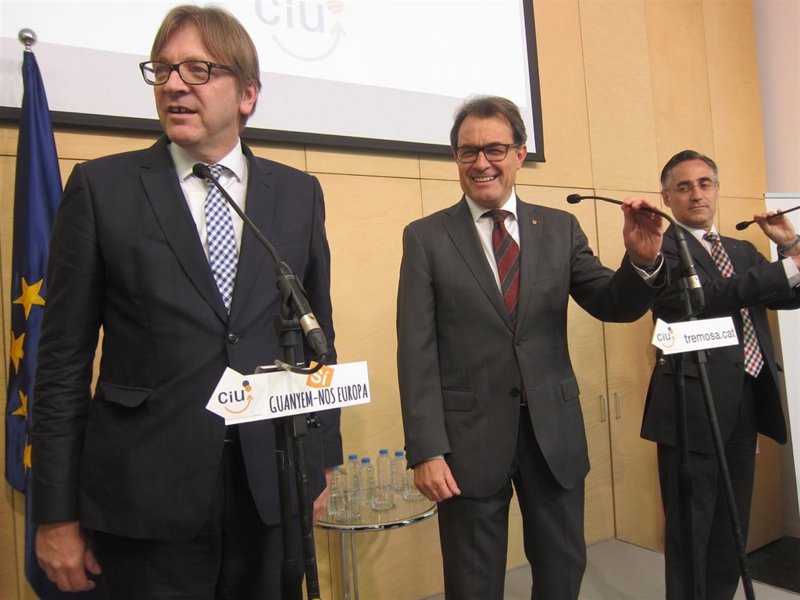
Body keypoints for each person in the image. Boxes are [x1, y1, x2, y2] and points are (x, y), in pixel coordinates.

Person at [30, 5, 341, 598]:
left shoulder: (298, 194)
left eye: (199, 70)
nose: (174, 84)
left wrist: (321, 456)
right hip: (145, 495)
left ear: (247, 94)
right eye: (163, 69)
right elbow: (62, 361)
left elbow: (316, 332)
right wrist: (56, 514)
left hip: (271, 484)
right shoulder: (101, 189)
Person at [396, 95, 665, 600]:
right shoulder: (427, 238)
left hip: (553, 436)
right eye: (468, 151)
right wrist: (426, 450)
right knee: (472, 584)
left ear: (520, 154)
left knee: (562, 575)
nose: (481, 163)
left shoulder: (560, 229)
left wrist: (641, 263)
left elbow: (611, 304)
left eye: (495, 149)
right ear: (456, 158)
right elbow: (416, 352)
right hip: (467, 443)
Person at [641, 150, 800, 600]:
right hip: (692, 405)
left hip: (746, 398)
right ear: (667, 197)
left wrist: (790, 246)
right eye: (684, 186)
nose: (697, 194)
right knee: (691, 526)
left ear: (716, 189)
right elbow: (706, 296)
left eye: (705, 183)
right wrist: (789, 266)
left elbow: (788, 296)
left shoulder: (742, 250)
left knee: (733, 524)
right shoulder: (660, 249)